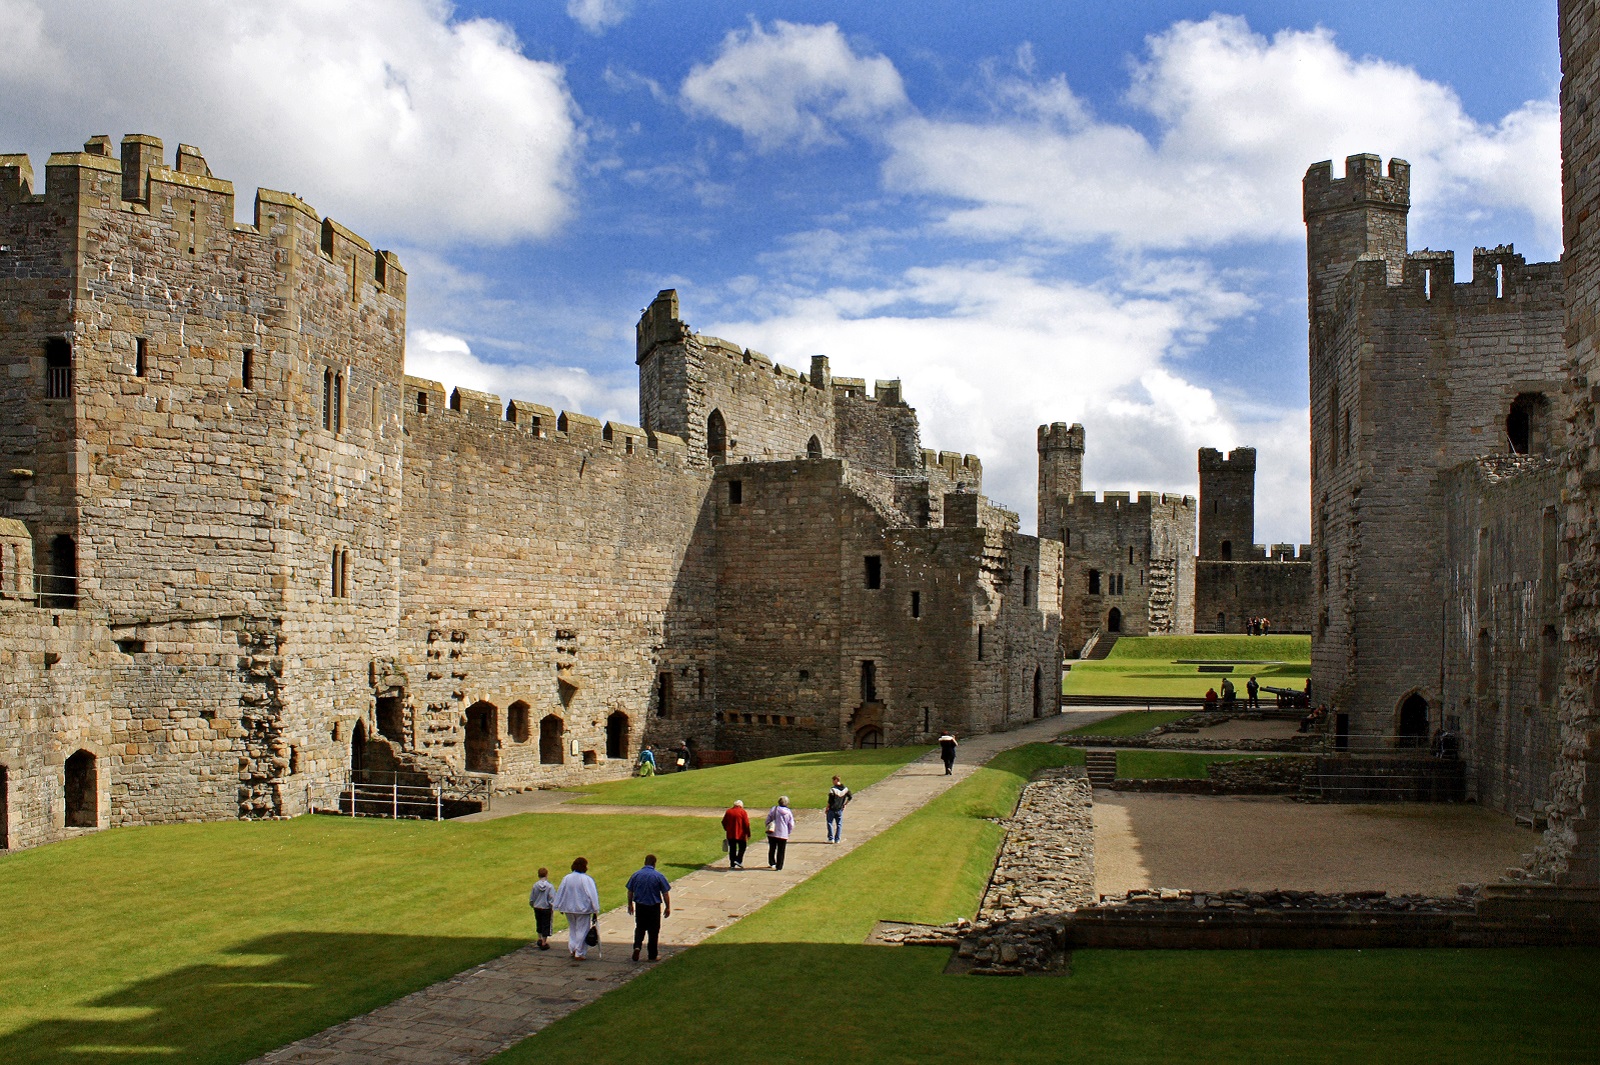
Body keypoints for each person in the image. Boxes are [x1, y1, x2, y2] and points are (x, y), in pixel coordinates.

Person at [625, 854, 672, 962]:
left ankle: (637, 946)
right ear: (654, 863)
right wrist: (667, 907)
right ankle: (652, 955)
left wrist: (630, 904)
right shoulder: (658, 876)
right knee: (653, 931)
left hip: (640, 906)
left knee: (640, 928)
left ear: (645, 862)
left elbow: (630, 891)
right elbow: (665, 893)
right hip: (653, 907)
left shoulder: (636, 875)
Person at [554, 857, 601, 961]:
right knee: (582, 930)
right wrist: (596, 909)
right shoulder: (586, 879)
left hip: (568, 908)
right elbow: (592, 895)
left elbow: (561, 891)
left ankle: (573, 949)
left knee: (573, 929)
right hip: (583, 909)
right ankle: (579, 952)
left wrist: (558, 905)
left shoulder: (567, 878)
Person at [528, 866, 556, 951]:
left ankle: (539, 938)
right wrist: (552, 906)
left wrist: (533, 904)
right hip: (546, 908)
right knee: (546, 924)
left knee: (539, 923)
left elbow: (532, 898)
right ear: (546, 875)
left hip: (537, 907)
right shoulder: (550, 886)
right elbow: (552, 897)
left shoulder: (535, 885)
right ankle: (544, 942)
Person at [765, 796, 794, 870]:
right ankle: (779, 866)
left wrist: (768, 825)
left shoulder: (774, 809)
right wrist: (788, 831)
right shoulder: (788, 812)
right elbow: (791, 824)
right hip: (783, 833)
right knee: (781, 851)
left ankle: (772, 863)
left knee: (772, 848)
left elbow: (768, 819)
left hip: (773, 832)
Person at [722, 799, 750, 869]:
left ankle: (732, 864)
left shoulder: (728, 811)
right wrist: (748, 833)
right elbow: (746, 824)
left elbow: (723, 822)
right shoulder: (742, 812)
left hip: (730, 834)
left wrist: (727, 829)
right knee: (742, 847)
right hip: (741, 834)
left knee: (732, 849)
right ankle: (738, 860)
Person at [825, 775, 852, 844]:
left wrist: (827, 807)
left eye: (833, 780)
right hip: (839, 809)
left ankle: (831, 838)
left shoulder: (833, 789)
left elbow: (830, 800)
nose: (832, 782)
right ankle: (837, 839)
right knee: (839, 824)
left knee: (829, 823)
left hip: (832, 809)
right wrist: (845, 804)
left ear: (836, 780)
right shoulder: (845, 789)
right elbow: (850, 797)